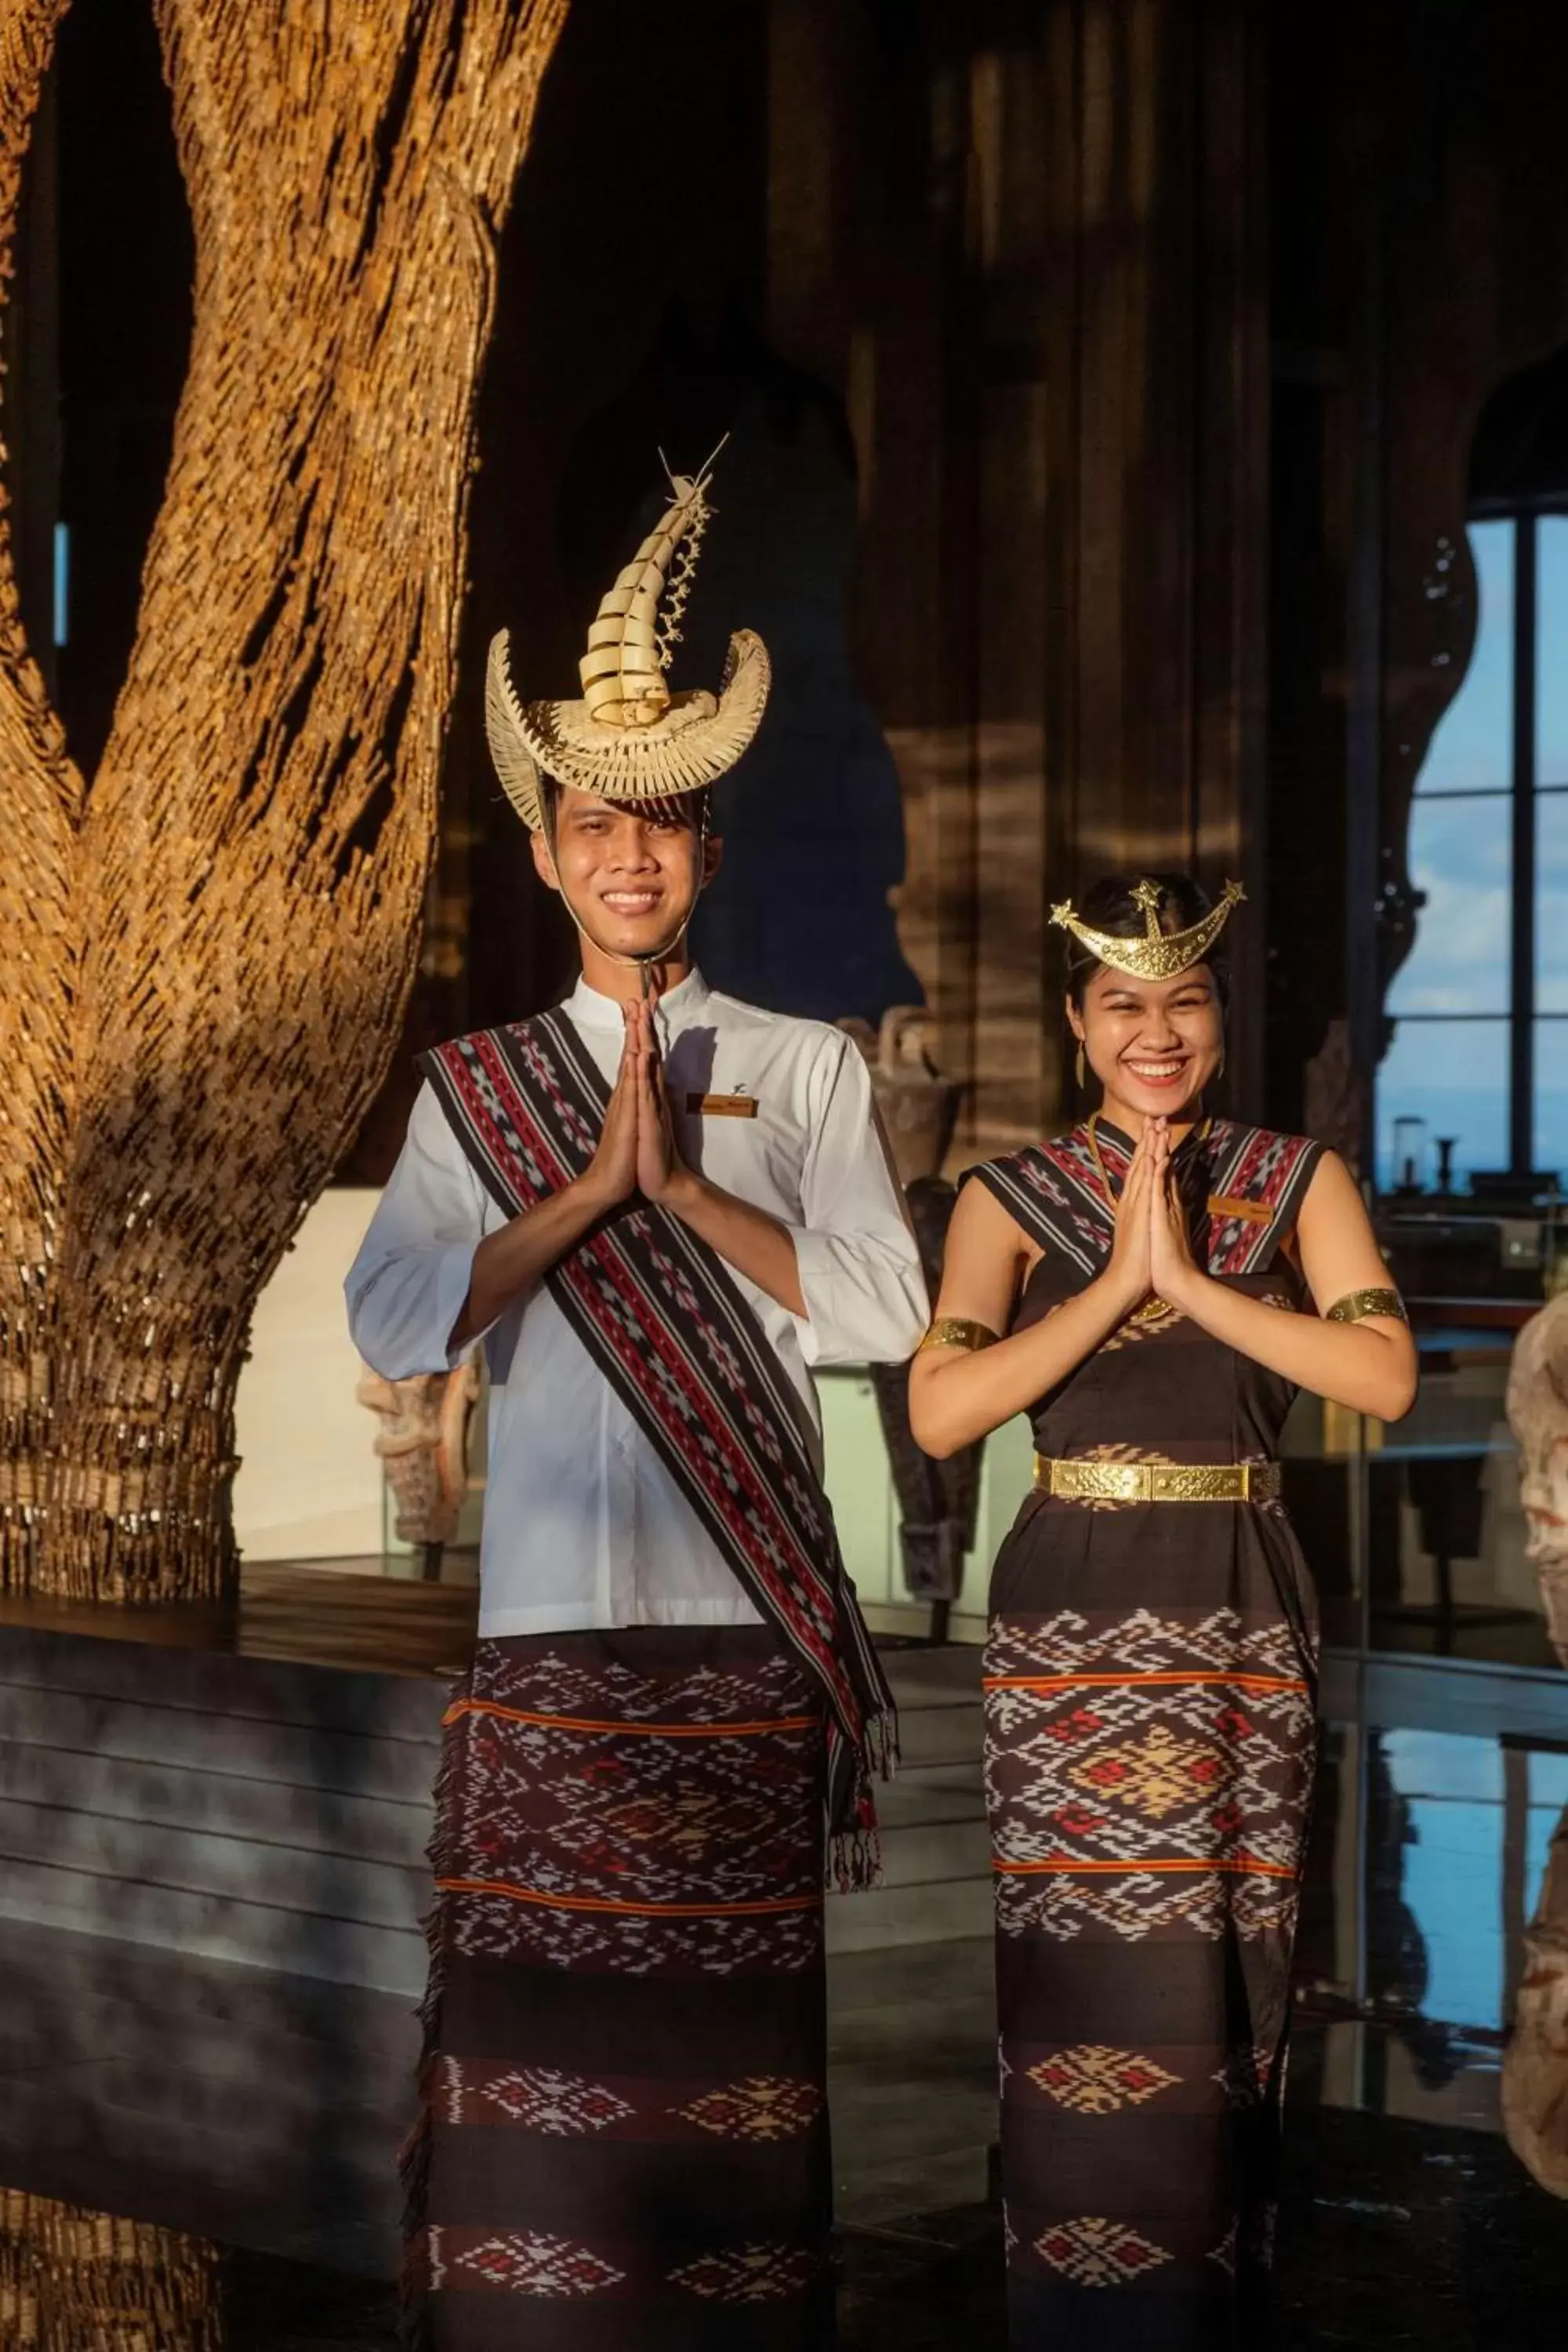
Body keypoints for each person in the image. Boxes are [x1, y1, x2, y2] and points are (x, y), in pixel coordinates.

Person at [347, 456, 927, 2348]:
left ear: (709, 852)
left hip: (750, 1620)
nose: (629, 856)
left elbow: (879, 1309)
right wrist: (582, 1195)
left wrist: (686, 1191)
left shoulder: (799, 1067)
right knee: (545, 2038)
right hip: (552, 1625)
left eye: (664, 828)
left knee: (738, 2041)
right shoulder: (480, 1085)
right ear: (545, 849)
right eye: (595, 824)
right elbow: (408, 1313)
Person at [909, 873, 1417, 2350]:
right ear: (1080, 1025)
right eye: (1124, 1005)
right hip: (1070, 1606)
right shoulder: (1006, 1198)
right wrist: (1113, 1282)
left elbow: (1376, 1378)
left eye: (1183, 1002)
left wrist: (1189, 1282)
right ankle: (1077, 2290)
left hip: (1240, 1604)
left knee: (1231, 1941)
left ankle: (1207, 2279)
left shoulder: (1296, 1179)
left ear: (1217, 1016)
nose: (1157, 1031)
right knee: (1081, 1944)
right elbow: (944, 1413)